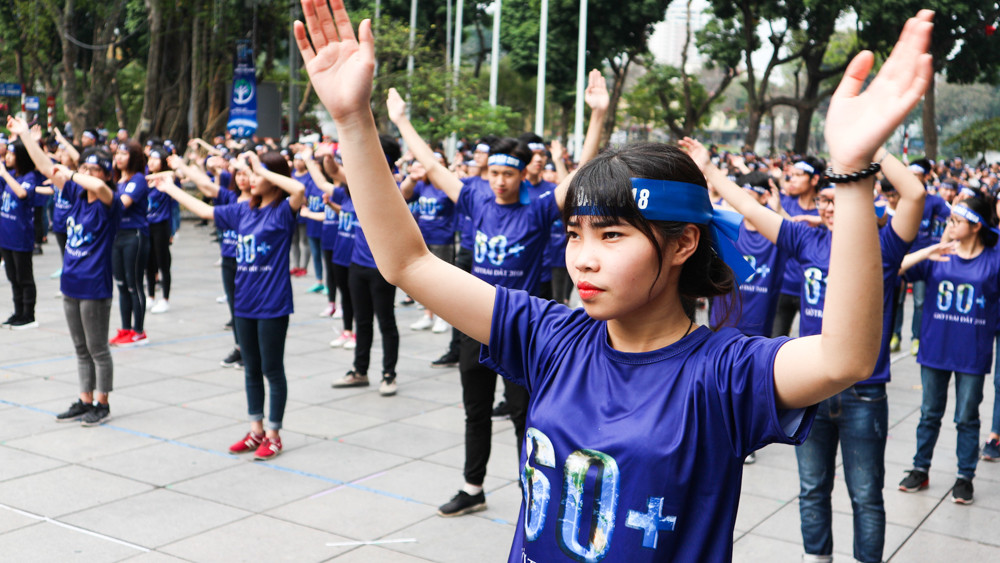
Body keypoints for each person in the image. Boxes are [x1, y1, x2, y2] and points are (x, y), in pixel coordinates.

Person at [295, 3, 932, 559]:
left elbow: (844, 355)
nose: (583, 259)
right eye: (575, 233)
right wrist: (353, 120)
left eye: (613, 235)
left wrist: (851, 173)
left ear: (683, 243)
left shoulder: (722, 373)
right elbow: (408, 263)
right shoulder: (550, 335)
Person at [689, 138, 925, 563]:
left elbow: (915, 194)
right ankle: (816, 558)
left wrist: (870, 148)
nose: (830, 206)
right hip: (814, 385)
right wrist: (711, 171)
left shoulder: (885, 248)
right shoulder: (807, 242)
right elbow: (751, 211)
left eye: (839, 197)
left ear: (864, 203)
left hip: (864, 392)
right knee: (813, 488)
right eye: (824, 199)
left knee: (866, 493)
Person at [386, 78, 607, 517]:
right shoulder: (475, 198)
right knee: (476, 409)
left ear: (523, 174)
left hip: (523, 331)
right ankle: (473, 486)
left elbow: (582, 175)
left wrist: (597, 115)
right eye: (494, 174)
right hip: (474, 322)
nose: (500, 182)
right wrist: (401, 121)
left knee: (527, 416)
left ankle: (534, 491)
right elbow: (431, 165)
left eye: (508, 174)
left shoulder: (540, 206)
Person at [154, 150, 304, 460]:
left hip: (273, 305)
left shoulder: (283, 212)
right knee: (251, 368)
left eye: (257, 175)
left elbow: (299, 190)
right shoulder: (242, 211)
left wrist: (262, 167)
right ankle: (256, 431)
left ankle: (274, 435)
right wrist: (169, 188)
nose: (250, 178)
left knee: (272, 370)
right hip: (244, 303)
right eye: (250, 173)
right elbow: (205, 211)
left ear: (274, 178)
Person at [897, 196, 1000, 505]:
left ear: (976, 226)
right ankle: (920, 468)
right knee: (929, 413)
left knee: (967, 417)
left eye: (956, 221)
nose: (949, 225)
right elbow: (896, 268)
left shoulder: (994, 259)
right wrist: (935, 245)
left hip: (972, 352)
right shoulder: (938, 253)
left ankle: (965, 476)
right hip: (935, 348)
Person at [0, 123, 42, 329]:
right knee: (13, 277)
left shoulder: (29, 177)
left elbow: (22, 194)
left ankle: (29, 315)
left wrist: (4, 173)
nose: (7, 157)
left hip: (21, 237)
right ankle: (18, 312)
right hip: (6, 236)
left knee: (24, 277)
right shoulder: (13, 176)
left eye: (11, 154)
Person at [110, 140, 151, 346]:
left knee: (134, 284)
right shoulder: (116, 181)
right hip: (117, 237)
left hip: (134, 236)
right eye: (117, 153)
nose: (118, 157)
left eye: (124, 154)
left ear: (133, 157)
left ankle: (139, 331)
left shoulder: (138, 180)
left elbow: (123, 204)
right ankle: (125, 329)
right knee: (121, 285)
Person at [145, 146, 174, 314]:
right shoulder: (144, 179)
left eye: (156, 159)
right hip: (146, 225)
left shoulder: (166, 179)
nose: (151, 162)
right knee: (149, 263)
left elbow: (174, 174)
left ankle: (165, 299)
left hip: (161, 226)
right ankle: (150, 296)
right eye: (150, 158)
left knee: (163, 263)